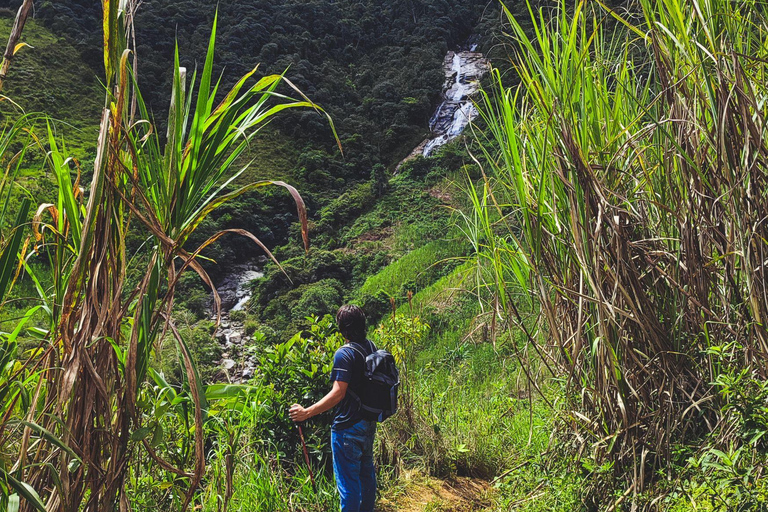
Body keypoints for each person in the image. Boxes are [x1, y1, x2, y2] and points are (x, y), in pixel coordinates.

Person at [289, 304, 377, 512]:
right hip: (368, 422)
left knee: (348, 485)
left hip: (347, 427)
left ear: (342, 329)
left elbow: (338, 393)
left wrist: (306, 413)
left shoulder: (344, 354)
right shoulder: (371, 347)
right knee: (366, 476)